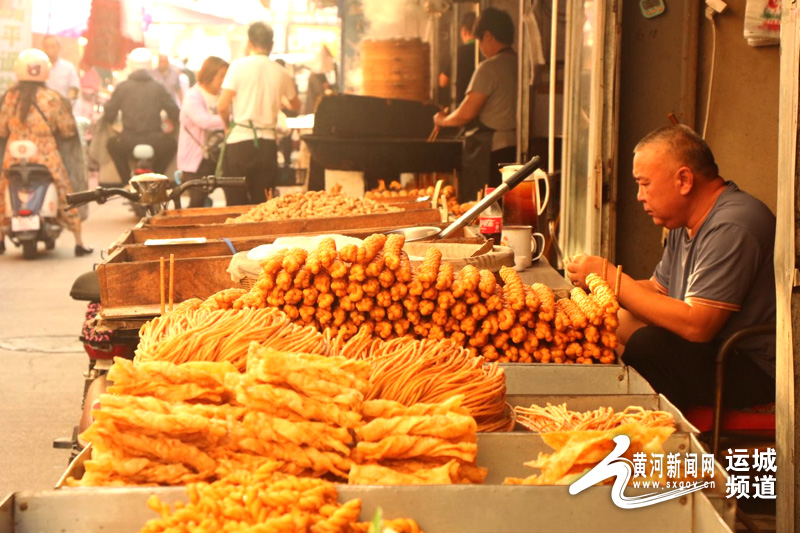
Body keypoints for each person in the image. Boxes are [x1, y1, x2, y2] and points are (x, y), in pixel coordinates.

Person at [566, 125, 776, 411]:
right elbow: (656, 290)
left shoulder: (734, 223)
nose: (640, 195)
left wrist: (609, 276)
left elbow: (697, 325)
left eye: (645, 183)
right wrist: (590, 298)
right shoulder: (684, 218)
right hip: (711, 352)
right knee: (607, 318)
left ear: (684, 180)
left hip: (748, 365)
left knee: (647, 345)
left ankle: (651, 427)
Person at [0, 49, 92, 256]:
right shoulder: (52, 98)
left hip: (13, 154)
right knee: (64, 190)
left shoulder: (9, 98)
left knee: (3, 187)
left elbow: (2, 129)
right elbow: (67, 129)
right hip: (45, 154)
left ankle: (1, 238)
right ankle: (78, 241)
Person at [433, 7, 517, 203]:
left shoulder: (490, 67)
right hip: (515, 147)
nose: (480, 46)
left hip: (492, 152)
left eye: (479, 40)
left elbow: (465, 114)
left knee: (487, 206)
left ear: (487, 36)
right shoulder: (518, 63)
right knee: (505, 207)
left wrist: (443, 120)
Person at [217, 22, 301, 205]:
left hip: (239, 143)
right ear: (271, 45)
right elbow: (296, 105)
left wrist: (226, 127)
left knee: (235, 203)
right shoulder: (281, 72)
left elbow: (222, 105)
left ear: (249, 42)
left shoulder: (238, 67)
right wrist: (276, 99)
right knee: (262, 205)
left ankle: (236, 235)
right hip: (267, 146)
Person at [102, 48, 180, 182]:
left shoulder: (122, 87)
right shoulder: (158, 87)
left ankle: (127, 182)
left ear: (131, 65)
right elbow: (175, 112)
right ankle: (157, 178)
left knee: (112, 145)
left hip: (128, 140)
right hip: (155, 140)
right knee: (172, 144)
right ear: (150, 66)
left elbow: (109, 114)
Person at [177, 56, 228, 208]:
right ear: (209, 74)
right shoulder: (193, 96)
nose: (224, 80)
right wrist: (229, 120)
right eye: (221, 75)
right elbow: (203, 121)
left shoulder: (222, 95)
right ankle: (190, 230)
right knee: (197, 201)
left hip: (216, 155)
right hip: (196, 160)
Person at [439, 11, 479, 107]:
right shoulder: (485, 51)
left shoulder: (460, 52)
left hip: (462, 104)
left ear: (464, 31)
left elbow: (443, 81)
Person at [41, 35, 80, 101]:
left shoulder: (69, 68)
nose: (49, 49)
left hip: (62, 107)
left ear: (59, 48)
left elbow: (74, 89)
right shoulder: (39, 67)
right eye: (46, 46)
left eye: (52, 46)